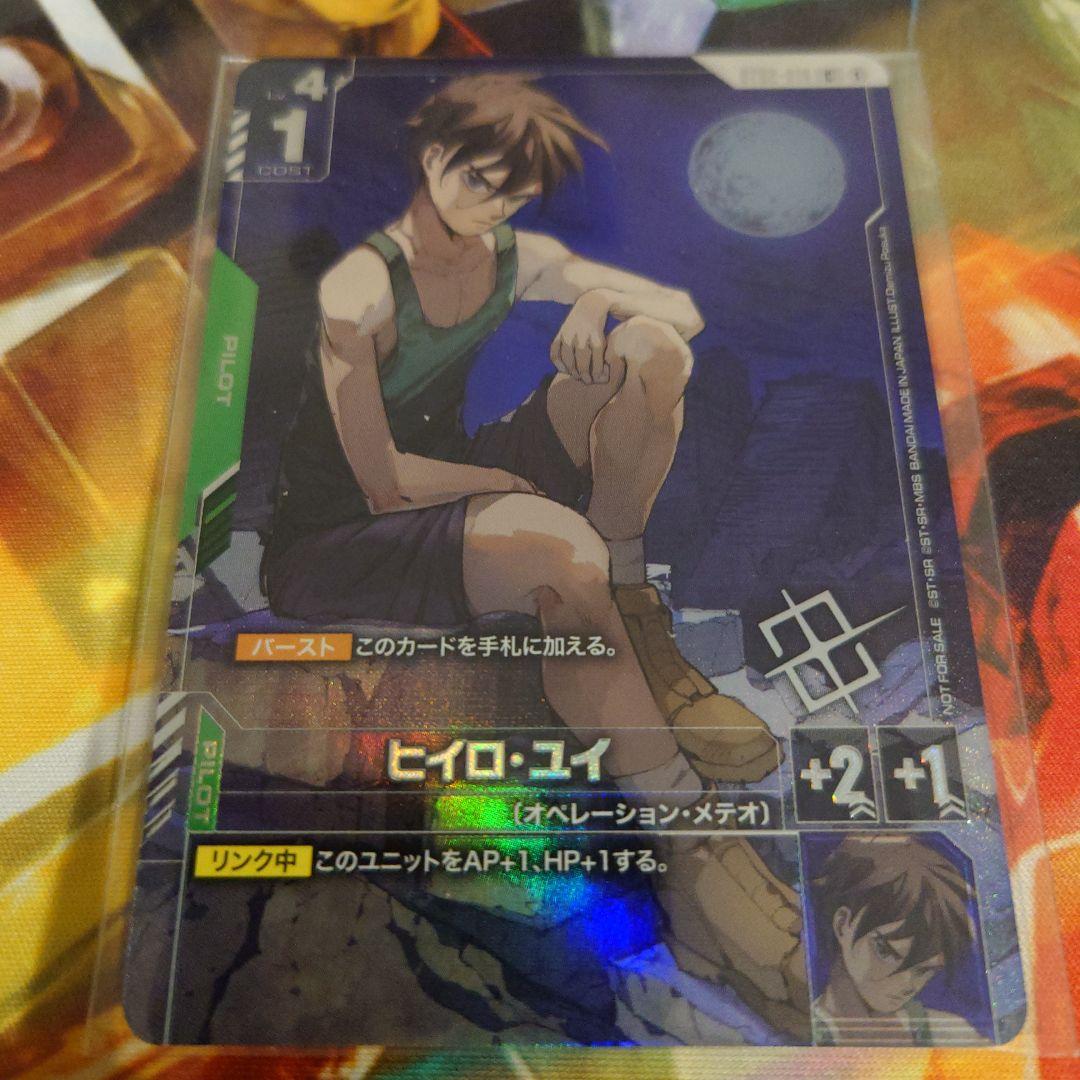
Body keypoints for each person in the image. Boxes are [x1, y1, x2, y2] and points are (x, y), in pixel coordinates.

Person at [264, 74, 806, 1034]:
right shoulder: (358, 292)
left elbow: (682, 312)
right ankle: (692, 843)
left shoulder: (519, 258)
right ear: (433, 155)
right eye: (479, 179)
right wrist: (506, 487)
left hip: (456, 477)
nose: (492, 206)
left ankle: (642, 633)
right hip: (342, 538)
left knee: (651, 353)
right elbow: (382, 480)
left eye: (513, 193)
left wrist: (592, 301)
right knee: (559, 547)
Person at [809, 834, 984, 1046]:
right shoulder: (799, 1033)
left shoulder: (949, 1033)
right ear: (842, 924)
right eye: (887, 952)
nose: (906, 984)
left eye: (924, 970)